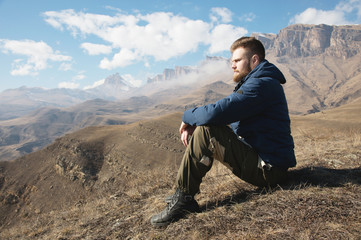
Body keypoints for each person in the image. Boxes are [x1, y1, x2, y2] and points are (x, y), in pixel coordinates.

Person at [150, 37, 296, 227]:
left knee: (207, 131)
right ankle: (182, 193)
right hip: (267, 163)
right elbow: (227, 116)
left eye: (237, 60)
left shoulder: (261, 85)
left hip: (269, 170)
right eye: (232, 61)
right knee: (208, 128)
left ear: (254, 60)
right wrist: (197, 123)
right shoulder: (260, 82)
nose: (232, 65)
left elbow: (218, 111)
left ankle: (184, 199)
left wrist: (187, 117)